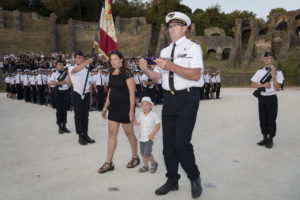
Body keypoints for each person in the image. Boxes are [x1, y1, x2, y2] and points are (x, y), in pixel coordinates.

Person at [139, 11, 203, 198]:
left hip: (188, 98)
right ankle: (172, 180)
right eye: (170, 26)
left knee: (182, 143)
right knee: (168, 146)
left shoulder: (193, 48)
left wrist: (171, 66)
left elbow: (196, 75)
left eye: (176, 26)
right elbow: (157, 77)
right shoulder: (165, 51)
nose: (172, 29)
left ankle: (194, 177)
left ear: (185, 28)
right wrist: (146, 70)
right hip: (170, 99)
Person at [98, 50, 140, 173]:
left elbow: (132, 93)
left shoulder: (127, 73)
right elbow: (111, 91)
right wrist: (105, 107)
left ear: (121, 59)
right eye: (111, 59)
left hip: (125, 108)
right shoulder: (111, 72)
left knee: (129, 134)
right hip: (114, 108)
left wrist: (131, 111)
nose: (113, 61)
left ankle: (135, 157)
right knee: (111, 135)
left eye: (115, 59)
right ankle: (108, 163)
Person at [250, 52, 284, 149]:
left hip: (271, 97)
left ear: (272, 59)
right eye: (265, 58)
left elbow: (278, 88)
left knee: (271, 119)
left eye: (268, 58)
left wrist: (273, 77)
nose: (266, 60)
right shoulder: (259, 72)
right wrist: (262, 85)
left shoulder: (278, 72)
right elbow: (252, 84)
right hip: (262, 97)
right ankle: (264, 137)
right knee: (263, 118)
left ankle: (270, 139)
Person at [68, 50, 95, 145]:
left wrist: (91, 97)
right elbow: (75, 71)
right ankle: (80, 135)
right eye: (79, 57)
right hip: (77, 94)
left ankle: (85, 134)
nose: (81, 59)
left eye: (82, 57)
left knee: (86, 115)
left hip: (87, 94)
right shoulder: (71, 67)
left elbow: (89, 84)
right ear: (75, 59)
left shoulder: (87, 70)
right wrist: (86, 62)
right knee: (78, 115)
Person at [134, 96, 160, 173]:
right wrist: (135, 122)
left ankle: (153, 163)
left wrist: (152, 134)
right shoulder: (140, 114)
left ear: (151, 106)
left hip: (149, 138)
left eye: (146, 105)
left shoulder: (153, 115)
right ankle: (146, 166)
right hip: (142, 137)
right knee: (142, 153)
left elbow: (158, 125)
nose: (144, 106)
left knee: (147, 153)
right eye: (142, 105)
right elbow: (138, 123)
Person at [50, 60, 71, 134]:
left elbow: (69, 85)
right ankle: (60, 127)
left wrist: (68, 81)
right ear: (56, 66)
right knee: (59, 111)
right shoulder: (54, 74)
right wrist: (61, 82)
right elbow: (51, 83)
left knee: (64, 110)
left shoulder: (66, 74)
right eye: (59, 64)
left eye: (62, 64)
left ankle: (64, 126)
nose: (61, 66)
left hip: (65, 92)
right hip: (58, 93)